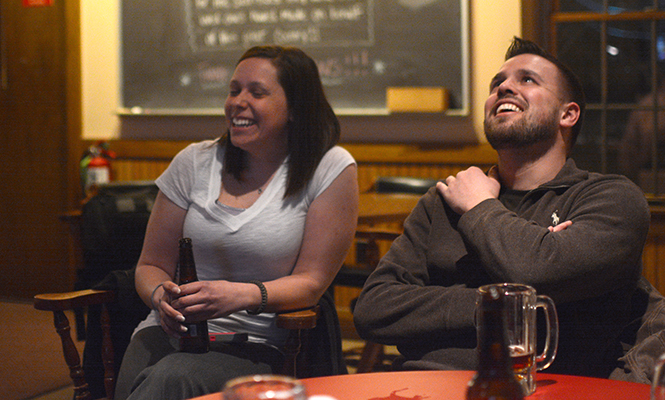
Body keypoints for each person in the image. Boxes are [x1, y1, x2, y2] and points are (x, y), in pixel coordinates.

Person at [353, 37, 651, 379]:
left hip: (545, 387)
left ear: (567, 114)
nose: (504, 87)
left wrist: (480, 206)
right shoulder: (444, 201)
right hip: (424, 382)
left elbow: (535, 270)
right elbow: (374, 307)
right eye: (497, 83)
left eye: (527, 80)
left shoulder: (610, 198)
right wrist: (504, 304)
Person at [114, 45, 359, 400]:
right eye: (233, 90)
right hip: (169, 332)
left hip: (258, 343)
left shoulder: (329, 167)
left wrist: (239, 295)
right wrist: (159, 298)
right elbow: (150, 265)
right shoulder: (194, 162)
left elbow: (311, 284)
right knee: (146, 375)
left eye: (256, 92)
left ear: (295, 108)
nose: (237, 102)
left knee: (172, 378)